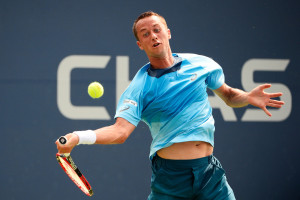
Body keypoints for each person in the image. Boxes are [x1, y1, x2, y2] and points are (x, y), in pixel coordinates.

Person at [56, 11, 284, 200]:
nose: (153, 36)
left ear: (168, 32)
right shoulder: (140, 87)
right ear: (140, 44)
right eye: (145, 34)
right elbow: (120, 132)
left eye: (157, 30)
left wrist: (248, 97)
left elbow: (229, 95)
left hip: (209, 174)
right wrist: (78, 136)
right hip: (170, 179)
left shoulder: (203, 64)